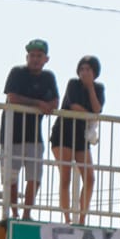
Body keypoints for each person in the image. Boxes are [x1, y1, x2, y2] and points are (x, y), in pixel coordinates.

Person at [1, 38, 60, 218]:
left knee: (34, 177)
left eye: (39, 56)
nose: (35, 59)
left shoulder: (48, 77)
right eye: (32, 55)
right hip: (11, 133)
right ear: (27, 57)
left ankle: (27, 213)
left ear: (46, 59)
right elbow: (12, 97)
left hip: (34, 135)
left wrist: (44, 105)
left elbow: (54, 103)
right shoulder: (17, 72)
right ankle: (14, 213)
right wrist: (38, 103)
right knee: (10, 177)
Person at [49, 55, 105, 224]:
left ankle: (82, 218)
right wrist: (90, 115)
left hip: (80, 136)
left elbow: (97, 108)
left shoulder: (99, 88)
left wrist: (90, 88)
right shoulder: (73, 84)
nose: (84, 72)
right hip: (63, 133)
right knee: (65, 176)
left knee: (89, 177)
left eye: (88, 69)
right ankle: (66, 218)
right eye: (82, 69)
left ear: (95, 72)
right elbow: (74, 106)